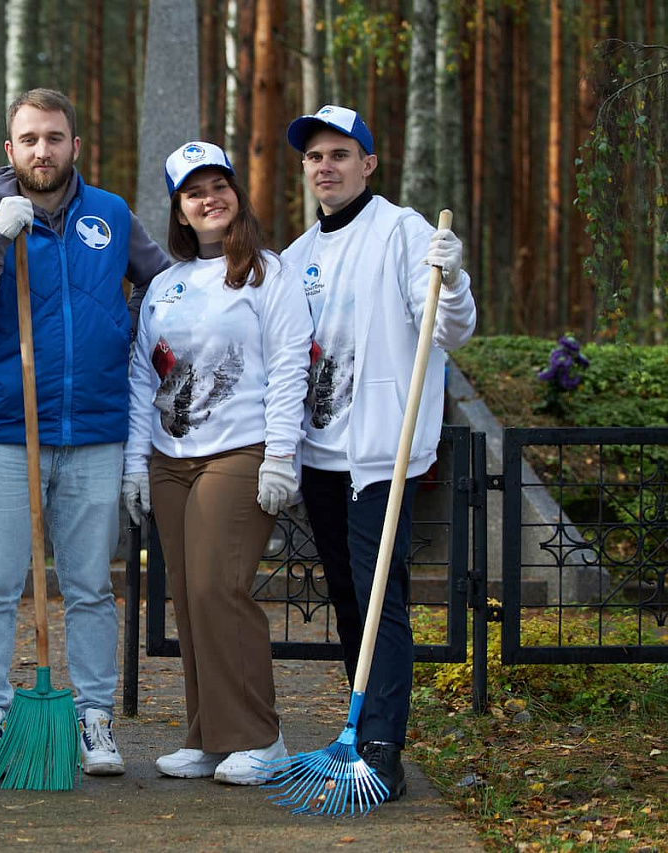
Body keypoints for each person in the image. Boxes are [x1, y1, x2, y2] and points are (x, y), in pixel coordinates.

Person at [0, 88, 170, 777]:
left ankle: (94, 716)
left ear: (75, 145)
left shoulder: (111, 216)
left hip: (96, 431)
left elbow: (169, 287)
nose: (44, 150)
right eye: (30, 139)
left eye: (55, 137)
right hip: (6, 434)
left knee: (92, 583)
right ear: (10, 150)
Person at [280, 104, 476, 801]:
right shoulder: (298, 255)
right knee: (345, 595)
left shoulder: (402, 231)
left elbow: (450, 330)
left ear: (368, 163)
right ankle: (359, 729)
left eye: (339, 154)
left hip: (378, 457)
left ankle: (385, 742)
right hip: (320, 454)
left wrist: (451, 280)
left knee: (378, 598)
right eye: (314, 157)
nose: (325, 166)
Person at [122, 141, 313, 785]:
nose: (210, 199)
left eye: (219, 186)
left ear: (236, 195)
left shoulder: (268, 272)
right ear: (179, 211)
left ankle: (261, 736)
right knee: (188, 595)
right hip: (170, 458)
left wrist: (281, 456)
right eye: (194, 192)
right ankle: (210, 734)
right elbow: (140, 381)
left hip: (241, 451)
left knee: (217, 588)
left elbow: (290, 365)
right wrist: (133, 464)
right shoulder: (164, 285)